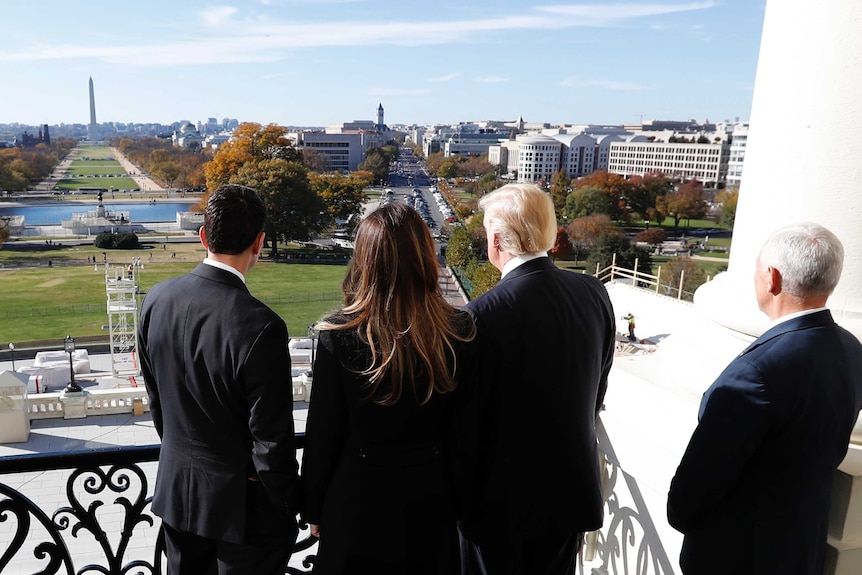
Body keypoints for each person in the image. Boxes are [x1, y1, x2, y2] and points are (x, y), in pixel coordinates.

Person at [667, 222, 862, 575]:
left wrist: (680, 515)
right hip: (802, 546)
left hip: (738, 556)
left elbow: (703, 477)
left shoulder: (756, 372)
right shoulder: (851, 349)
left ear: (771, 278)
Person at [302, 202, 475, 574]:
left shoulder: (339, 334)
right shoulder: (459, 330)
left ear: (364, 258)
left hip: (357, 498)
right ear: (423, 255)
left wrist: (314, 506)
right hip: (431, 497)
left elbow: (323, 435)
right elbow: (466, 434)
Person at [454, 183, 616, 575]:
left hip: (496, 508)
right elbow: (597, 390)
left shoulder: (479, 316)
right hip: (569, 498)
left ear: (496, 241)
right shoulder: (594, 292)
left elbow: (463, 423)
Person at [137, 184, 300, 575]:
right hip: (242, 515)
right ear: (259, 242)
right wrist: (291, 505)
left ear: (204, 236)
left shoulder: (156, 300)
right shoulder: (262, 326)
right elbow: (272, 442)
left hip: (178, 496)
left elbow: (159, 405)